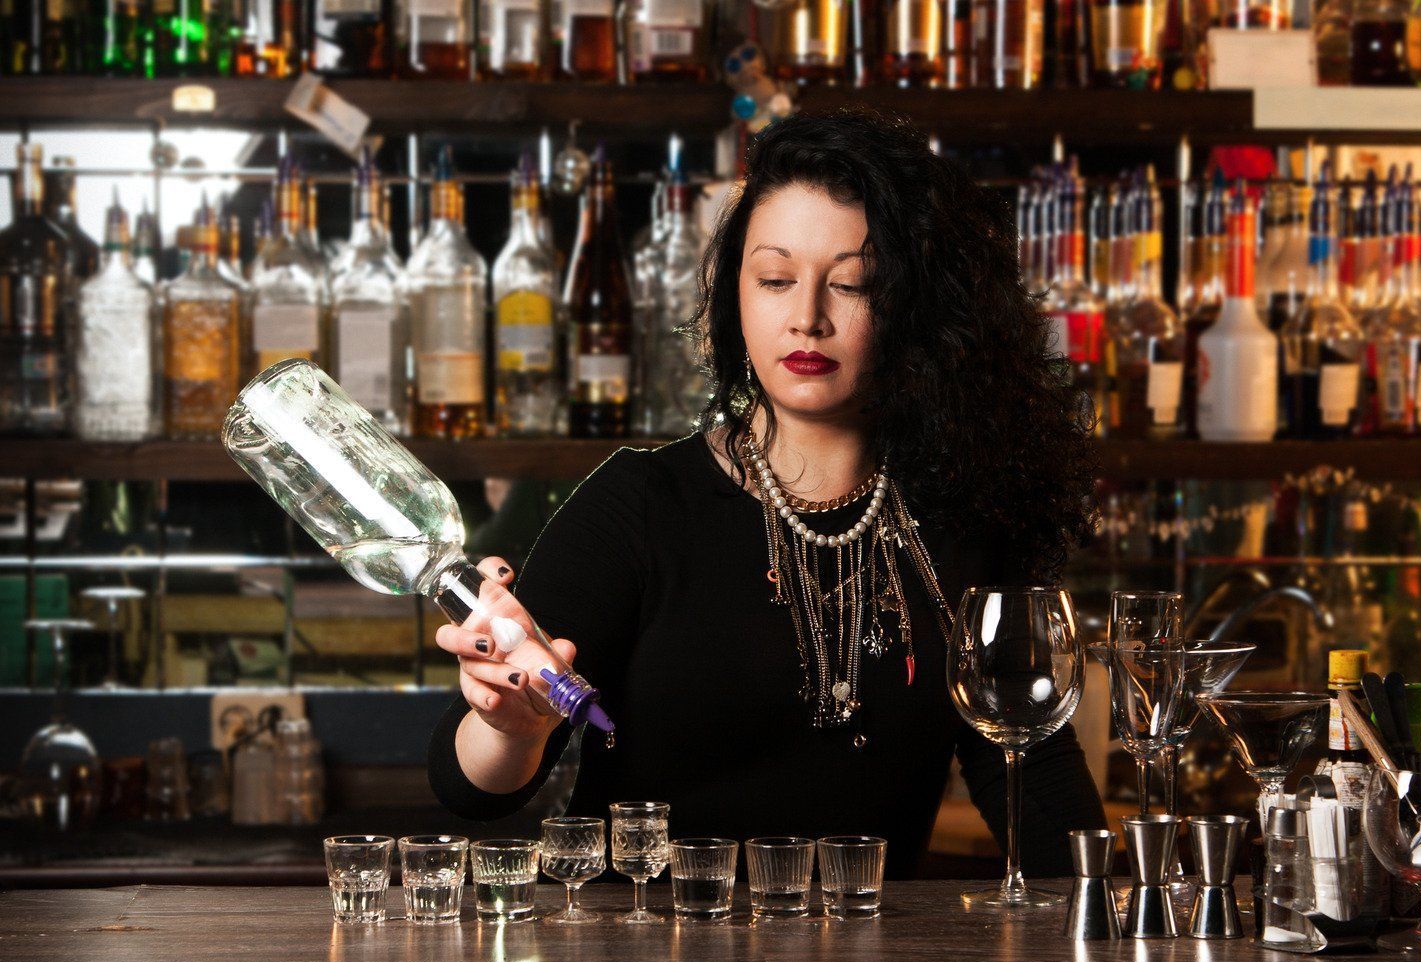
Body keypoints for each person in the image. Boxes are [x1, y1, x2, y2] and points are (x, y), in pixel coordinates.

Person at [429, 110, 1104, 878]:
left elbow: (1034, 777)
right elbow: (467, 788)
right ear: (735, 295)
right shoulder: (637, 508)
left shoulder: (960, 521)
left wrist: (1133, 938)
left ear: (920, 309)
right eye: (776, 279)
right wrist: (513, 727)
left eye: (852, 284)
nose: (806, 317)